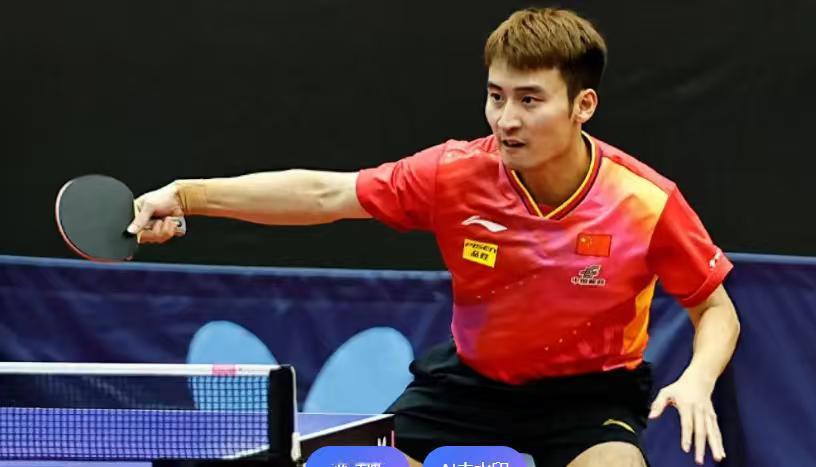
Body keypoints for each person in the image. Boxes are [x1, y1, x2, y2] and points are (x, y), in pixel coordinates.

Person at [128, 7, 740, 467]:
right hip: (468, 386)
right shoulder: (455, 173)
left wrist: (698, 377)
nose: (506, 119)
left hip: (589, 397)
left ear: (583, 105)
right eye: (496, 96)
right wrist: (188, 195)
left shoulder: (644, 200)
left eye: (530, 100)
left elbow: (715, 309)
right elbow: (324, 194)